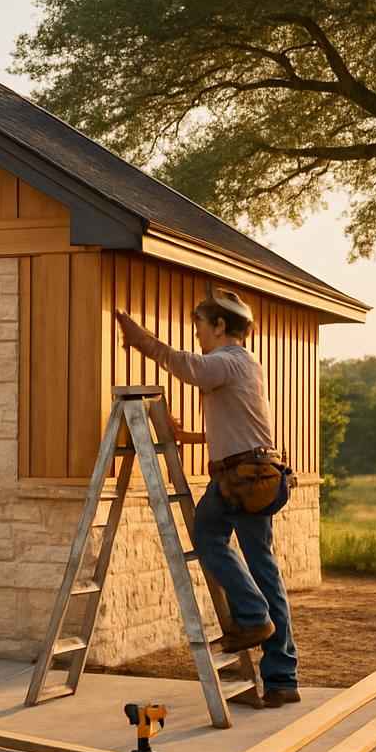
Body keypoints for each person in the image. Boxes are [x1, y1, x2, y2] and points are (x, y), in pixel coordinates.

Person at [113, 289, 300, 707]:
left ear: (219, 325)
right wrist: (189, 436)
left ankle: (253, 617)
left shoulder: (229, 361)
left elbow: (189, 367)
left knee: (211, 539)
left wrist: (142, 341)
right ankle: (281, 677)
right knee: (260, 568)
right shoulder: (241, 365)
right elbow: (239, 428)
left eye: (199, 324)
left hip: (244, 479)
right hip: (248, 474)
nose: (196, 333)